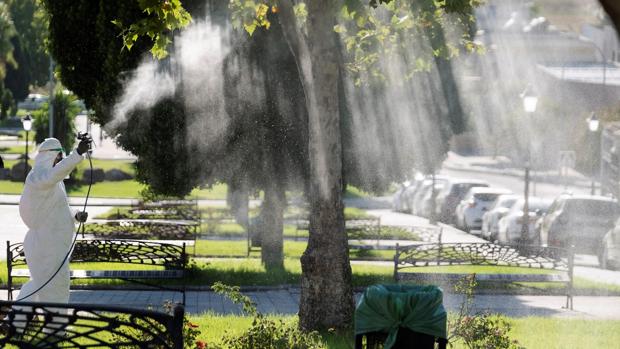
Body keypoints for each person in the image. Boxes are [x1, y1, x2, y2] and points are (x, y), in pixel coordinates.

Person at [15, 136, 91, 304]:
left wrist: (76, 215)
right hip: (45, 245)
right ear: (49, 155)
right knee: (56, 287)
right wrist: (77, 153)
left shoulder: (54, 183)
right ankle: (55, 328)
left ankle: (14, 321)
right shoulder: (38, 178)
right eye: (59, 156)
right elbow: (56, 173)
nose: (61, 161)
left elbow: (58, 210)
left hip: (53, 246)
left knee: (41, 285)